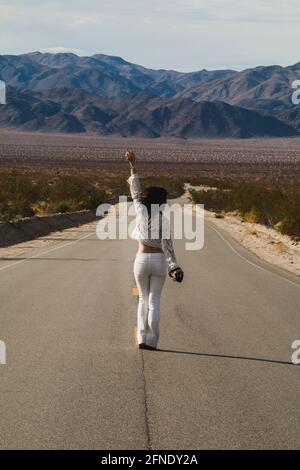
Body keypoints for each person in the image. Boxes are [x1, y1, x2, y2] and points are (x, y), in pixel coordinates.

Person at [125, 149, 184, 350]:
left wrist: (133, 164)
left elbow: (135, 189)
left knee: (142, 299)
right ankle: (151, 340)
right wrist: (174, 267)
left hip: (141, 260)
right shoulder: (165, 220)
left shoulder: (141, 211)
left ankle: (141, 338)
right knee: (154, 301)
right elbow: (169, 249)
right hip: (159, 262)